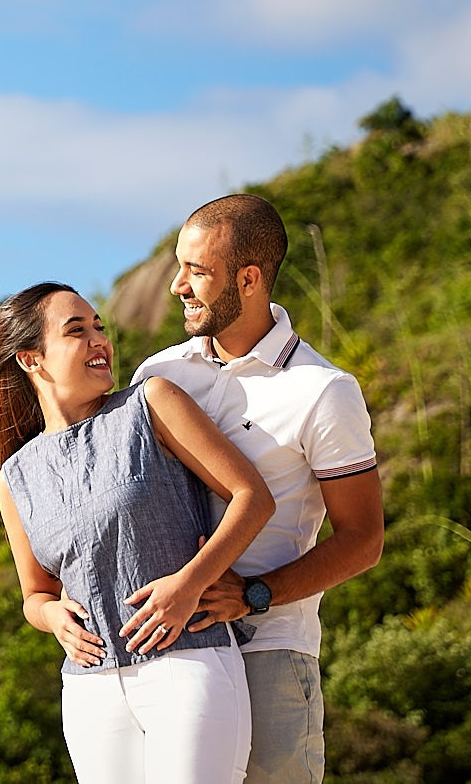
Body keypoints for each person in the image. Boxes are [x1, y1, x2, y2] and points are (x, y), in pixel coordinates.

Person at [0, 281, 276, 783]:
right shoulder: (17, 475)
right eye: (77, 331)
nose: (100, 341)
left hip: (186, 665)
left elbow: (252, 497)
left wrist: (190, 584)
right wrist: (52, 617)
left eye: (99, 327)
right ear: (33, 359)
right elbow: (34, 594)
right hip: (90, 691)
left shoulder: (152, 404)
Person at [131, 194, 384, 784]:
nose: (177, 287)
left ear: (248, 280)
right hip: (167, 657)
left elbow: (363, 539)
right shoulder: (157, 374)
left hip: (267, 654)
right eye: (178, 266)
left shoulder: (324, 391)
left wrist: (255, 594)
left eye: (196, 271)